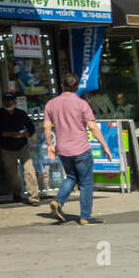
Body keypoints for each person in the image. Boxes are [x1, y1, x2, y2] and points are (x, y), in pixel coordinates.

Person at [44, 73, 113, 225]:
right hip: (81, 149)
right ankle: (85, 216)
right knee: (86, 183)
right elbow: (93, 127)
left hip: (63, 150)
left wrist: (50, 144)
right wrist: (105, 146)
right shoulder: (82, 104)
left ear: (62, 86)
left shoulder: (51, 104)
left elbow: (47, 126)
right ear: (77, 87)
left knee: (71, 176)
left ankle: (57, 201)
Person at [0, 92, 41, 205]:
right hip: (7, 148)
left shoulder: (21, 113)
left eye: (11, 100)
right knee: (13, 174)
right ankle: (17, 193)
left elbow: (31, 127)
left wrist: (28, 133)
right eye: (6, 100)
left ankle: (34, 197)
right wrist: (10, 134)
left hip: (23, 146)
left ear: (15, 101)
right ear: (3, 101)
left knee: (29, 170)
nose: (8, 102)